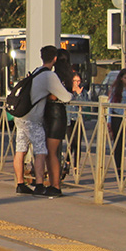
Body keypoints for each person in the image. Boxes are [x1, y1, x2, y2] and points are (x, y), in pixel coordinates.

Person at [13, 45, 74, 197]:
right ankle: (39, 185)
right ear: (54, 59)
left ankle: (20, 183)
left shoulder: (36, 71)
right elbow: (67, 97)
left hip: (21, 116)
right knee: (41, 151)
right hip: (33, 119)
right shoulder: (49, 76)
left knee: (20, 150)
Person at [44, 49, 82, 186]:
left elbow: (58, 96)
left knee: (51, 152)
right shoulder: (69, 76)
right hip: (62, 115)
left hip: (53, 114)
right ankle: (55, 182)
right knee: (54, 151)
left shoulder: (54, 76)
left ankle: (54, 184)